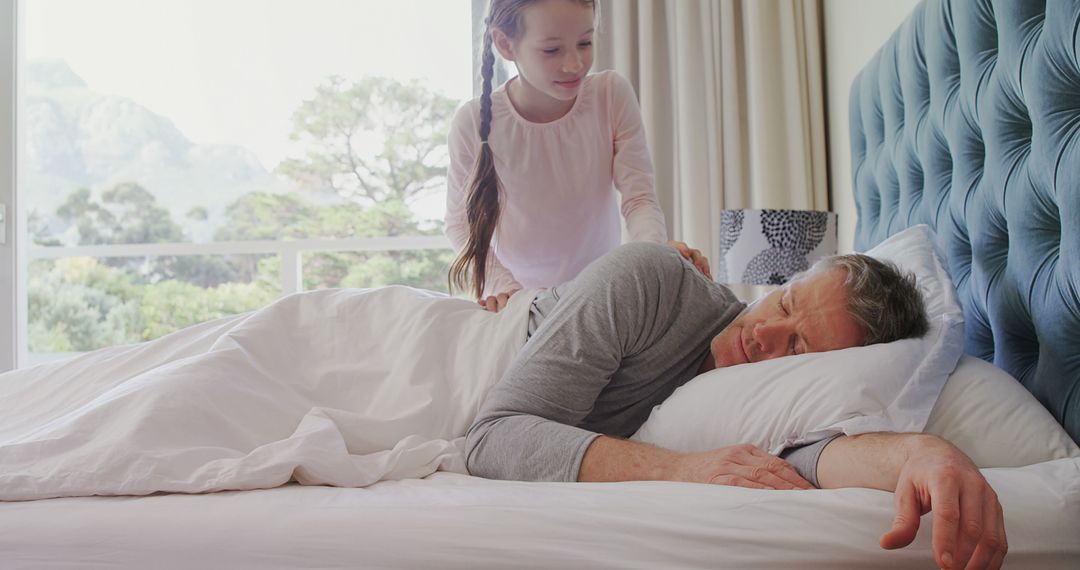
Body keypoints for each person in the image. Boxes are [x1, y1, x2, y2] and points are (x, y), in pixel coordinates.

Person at [466, 242, 1007, 570]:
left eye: (799, 346)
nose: (766, 332)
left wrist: (925, 451)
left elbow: (818, 455)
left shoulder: (767, 404)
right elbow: (492, 439)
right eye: (787, 301)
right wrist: (682, 469)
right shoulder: (651, 281)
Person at [445, 0, 711, 312]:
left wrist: (650, 259)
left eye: (584, 43)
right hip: (516, 305)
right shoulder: (472, 123)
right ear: (505, 44)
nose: (574, 64)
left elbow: (639, 199)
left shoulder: (610, 94)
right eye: (551, 50)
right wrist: (506, 289)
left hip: (600, 296)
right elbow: (460, 224)